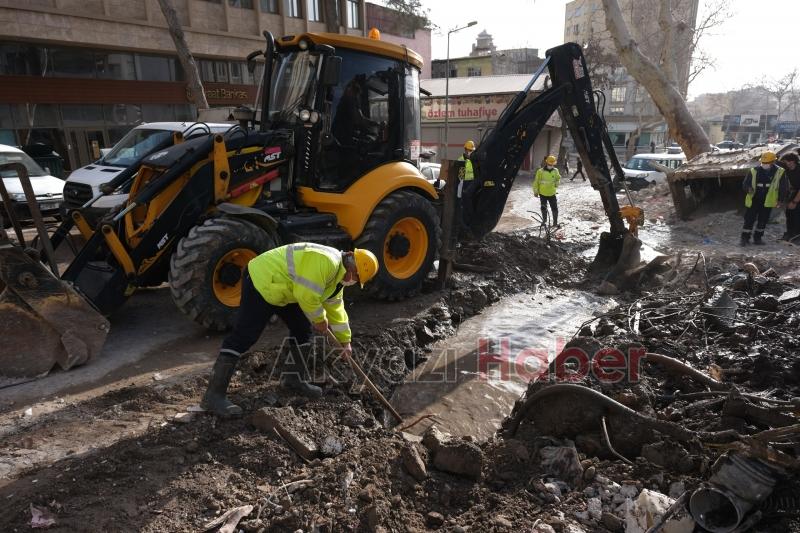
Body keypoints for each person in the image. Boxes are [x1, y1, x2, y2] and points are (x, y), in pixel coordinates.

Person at [201, 243, 379, 417]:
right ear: (352, 270)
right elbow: (306, 294)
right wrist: (319, 319)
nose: (354, 282)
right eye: (357, 279)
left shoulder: (337, 280)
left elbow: (336, 309)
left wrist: (345, 341)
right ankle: (213, 397)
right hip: (263, 280)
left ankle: (293, 380)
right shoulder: (327, 262)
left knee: (303, 331)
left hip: (284, 288)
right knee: (245, 336)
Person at [740, 151, 787, 246]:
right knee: (749, 219)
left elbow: (783, 186)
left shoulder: (780, 172)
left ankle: (758, 238)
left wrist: (780, 200)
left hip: (768, 200)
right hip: (754, 199)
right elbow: (745, 183)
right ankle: (744, 238)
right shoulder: (754, 170)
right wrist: (748, 189)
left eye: (767, 163)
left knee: (763, 220)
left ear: (773, 162)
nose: (764, 164)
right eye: (763, 162)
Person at [534, 154, 561, 227]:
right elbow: (536, 182)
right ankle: (544, 221)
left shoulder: (556, 171)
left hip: (552, 193)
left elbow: (558, 178)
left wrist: (557, 183)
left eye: (552, 164)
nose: (551, 165)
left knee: (554, 208)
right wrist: (536, 191)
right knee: (543, 207)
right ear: (547, 163)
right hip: (542, 194)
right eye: (549, 164)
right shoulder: (540, 171)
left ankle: (555, 223)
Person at [779, 152, 800, 241]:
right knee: (789, 214)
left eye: (786, 162)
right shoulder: (788, 170)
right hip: (793, 193)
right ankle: (789, 233)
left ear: (792, 161)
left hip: (798, 195)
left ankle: (796, 236)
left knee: (797, 215)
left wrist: (795, 202)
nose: (785, 164)